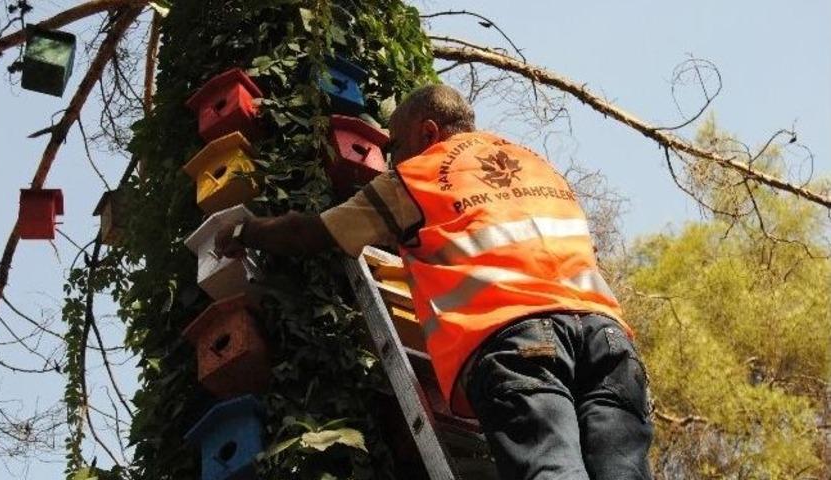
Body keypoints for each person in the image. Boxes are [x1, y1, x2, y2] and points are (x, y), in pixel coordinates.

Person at [215, 84, 653, 480]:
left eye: (396, 146)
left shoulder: (418, 175)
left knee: (551, 471)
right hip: (608, 342)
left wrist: (244, 230)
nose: (392, 160)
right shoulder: (539, 168)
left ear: (428, 132)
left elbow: (312, 233)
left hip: (516, 340)